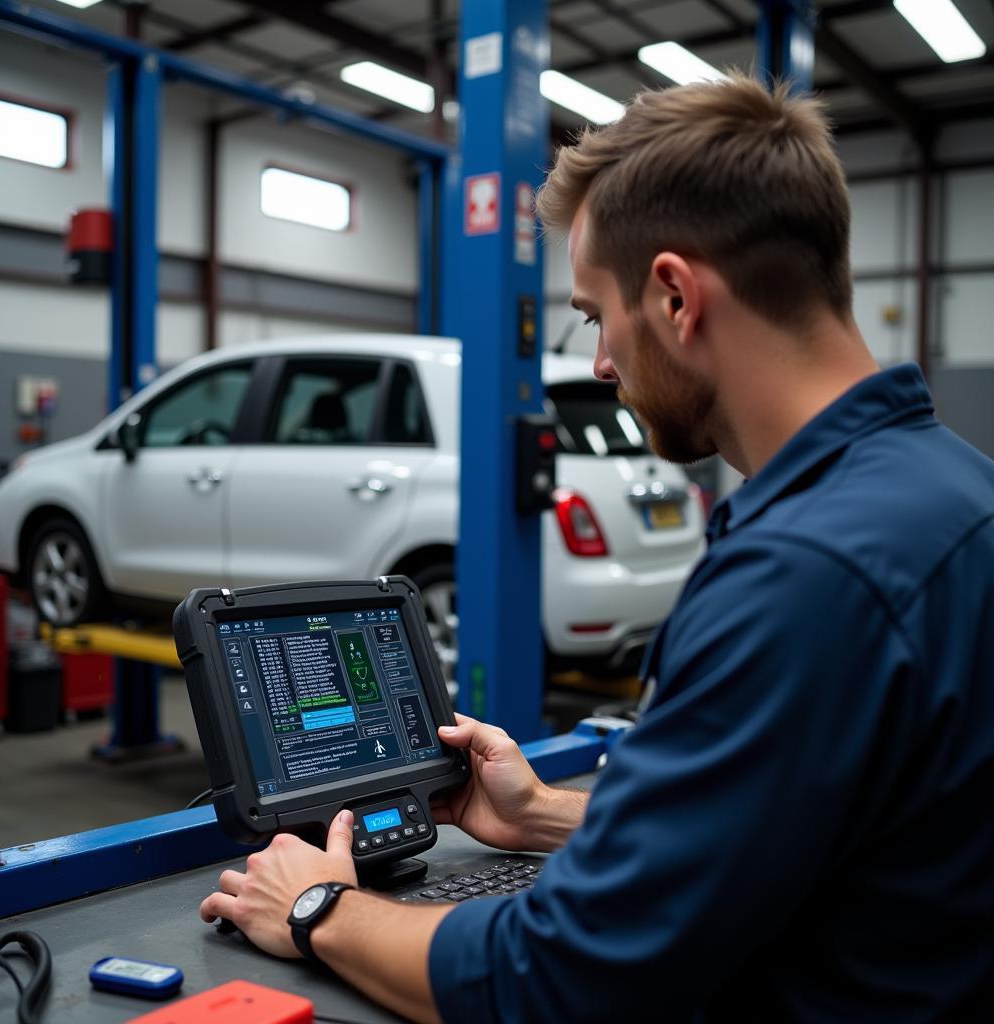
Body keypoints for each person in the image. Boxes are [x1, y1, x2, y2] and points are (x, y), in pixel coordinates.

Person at [198, 74, 994, 1022]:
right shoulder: (955, 488)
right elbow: (803, 833)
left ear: (672, 296)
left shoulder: (807, 577)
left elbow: (563, 978)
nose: (603, 363)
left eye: (591, 316)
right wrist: (538, 815)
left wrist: (320, 907)